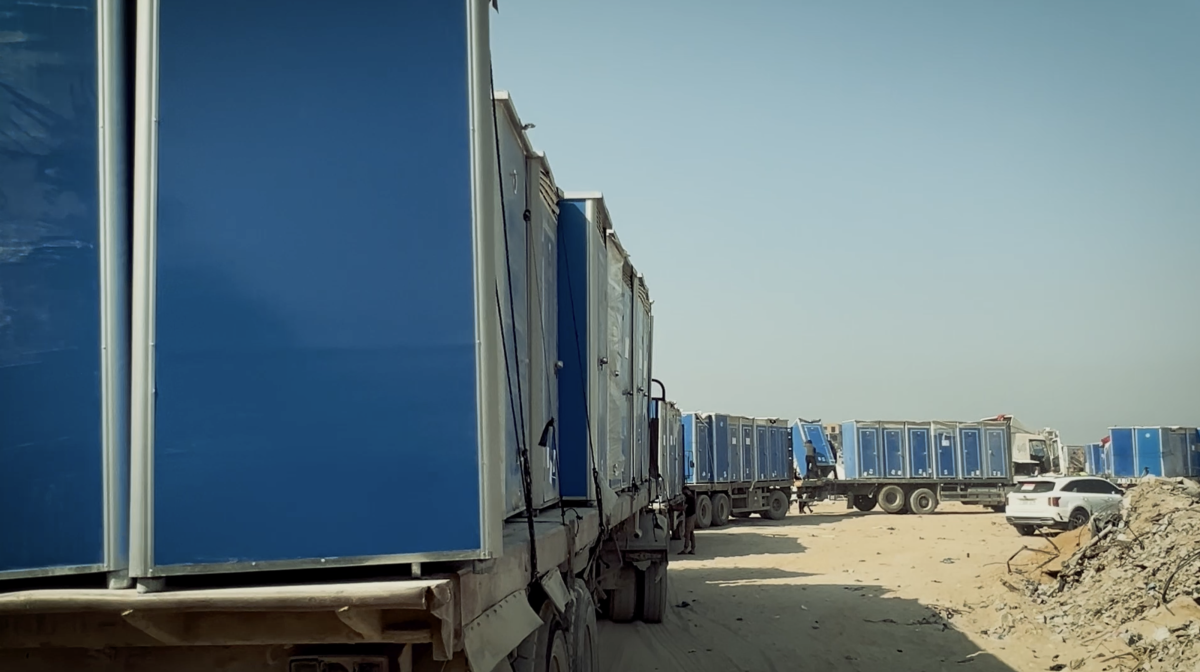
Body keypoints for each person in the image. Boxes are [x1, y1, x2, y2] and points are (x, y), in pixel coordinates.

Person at [681, 487, 697, 555]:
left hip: (689, 517)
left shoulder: (689, 498)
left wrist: (676, 507)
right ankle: (693, 548)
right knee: (691, 533)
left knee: (687, 533)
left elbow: (684, 507)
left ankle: (685, 549)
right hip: (693, 516)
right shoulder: (692, 497)